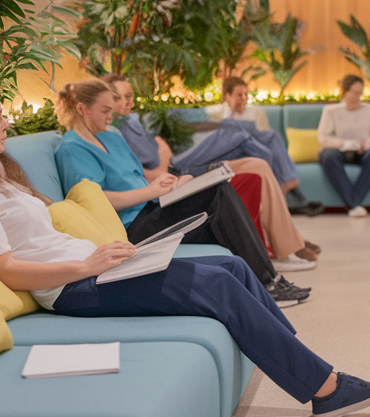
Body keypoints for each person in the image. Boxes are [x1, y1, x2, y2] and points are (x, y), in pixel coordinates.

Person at [0, 82, 370, 417]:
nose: (7, 123)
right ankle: (325, 389)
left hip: (95, 266)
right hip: (73, 287)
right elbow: (5, 270)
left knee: (230, 264)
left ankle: (294, 357)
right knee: (216, 284)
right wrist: (86, 263)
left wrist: (103, 253)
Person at [53, 78, 311, 305]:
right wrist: (150, 191)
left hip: (153, 206)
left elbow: (139, 178)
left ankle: (267, 280)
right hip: (132, 227)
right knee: (216, 196)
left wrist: (172, 184)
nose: (111, 116)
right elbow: (96, 201)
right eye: (105, 110)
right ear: (82, 109)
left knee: (217, 187)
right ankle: (267, 282)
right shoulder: (72, 149)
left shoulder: (112, 136)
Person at [104, 74, 321, 272]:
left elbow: (159, 148)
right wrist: (162, 157)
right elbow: (151, 172)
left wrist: (161, 150)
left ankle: (290, 242)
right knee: (238, 135)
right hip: (175, 174)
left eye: (129, 96)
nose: (128, 102)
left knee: (259, 163)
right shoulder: (114, 131)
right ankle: (288, 244)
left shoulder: (133, 121)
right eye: (120, 97)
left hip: (175, 168)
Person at [174, 77, 324, 216]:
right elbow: (208, 135)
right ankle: (284, 183)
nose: (244, 98)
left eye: (246, 94)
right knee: (246, 135)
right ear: (228, 96)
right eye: (239, 95)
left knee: (271, 137)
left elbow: (262, 140)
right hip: (228, 151)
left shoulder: (256, 113)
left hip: (253, 150)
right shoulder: (217, 113)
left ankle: (282, 185)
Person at [317, 74, 370, 218]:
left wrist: (366, 144)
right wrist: (345, 144)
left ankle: (353, 203)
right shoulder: (331, 110)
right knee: (327, 156)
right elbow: (323, 137)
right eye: (355, 92)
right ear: (345, 91)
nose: (358, 96)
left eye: (360, 92)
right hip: (340, 151)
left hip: (363, 150)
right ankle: (355, 204)